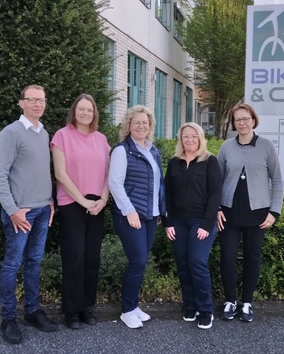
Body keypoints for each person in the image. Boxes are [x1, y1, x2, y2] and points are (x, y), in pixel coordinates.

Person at [0, 85, 58, 344]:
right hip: (21, 214)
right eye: (33, 100)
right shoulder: (11, 133)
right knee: (12, 265)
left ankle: (32, 312)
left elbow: (40, 171)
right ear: (22, 103)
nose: (39, 104)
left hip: (42, 211)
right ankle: (8, 318)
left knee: (34, 263)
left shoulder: (43, 133)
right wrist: (13, 210)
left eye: (42, 100)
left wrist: (50, 200)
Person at [216, 103, 283, 323]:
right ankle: (230, 301)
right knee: (227, 256)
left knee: (252, 257)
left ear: (253, 120)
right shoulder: (226, 147)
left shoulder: (266, 146)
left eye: (246, 119)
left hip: (258, 213)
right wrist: (216, 208)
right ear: (233, 124)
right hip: (229, 212)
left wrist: (274, 212)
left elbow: (278, 180)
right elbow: (216, 181)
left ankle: (246, 303)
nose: (242, 123)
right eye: (238, 120)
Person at [50, 94, 110, 330]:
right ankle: (72, 311)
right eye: (81, 109)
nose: (86, 113)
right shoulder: (61, 136)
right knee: (74, 257)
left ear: (94, 113)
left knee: (92, 259)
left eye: (90, 110)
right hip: (72, 203)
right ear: (74, 111)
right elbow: (60, 174)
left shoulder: (102, 139)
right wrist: (83, 201)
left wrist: (103, 199)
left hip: (97, 204)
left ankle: (87, 307)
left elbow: (108, 173)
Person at [108, 105, 165, 329]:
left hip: (150, 215)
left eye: (145, 122)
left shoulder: (153, 151)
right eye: (137, 122)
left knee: (141, 263)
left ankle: (134, 305)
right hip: (130, 215)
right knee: (137, 261)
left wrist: (159, 210)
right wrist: (129, 210)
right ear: (128, 126)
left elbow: (158, 184)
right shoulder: (122, 150)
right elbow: (114, 183)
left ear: (150, 126)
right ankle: (127, 309)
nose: (141, 126)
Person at [163, 122, 222, 330]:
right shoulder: (174, 163)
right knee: (183, 264)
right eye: (185, 136)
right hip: (177, 222)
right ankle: (190, 305)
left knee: (197, 263)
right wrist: (167, 222)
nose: (189, 140)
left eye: (193, 136)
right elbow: (167, 194)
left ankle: (206, 310)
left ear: (200, 138)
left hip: (201, 222)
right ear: (180, 139)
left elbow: (216, 193)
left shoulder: (210, 161)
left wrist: (207, 223)